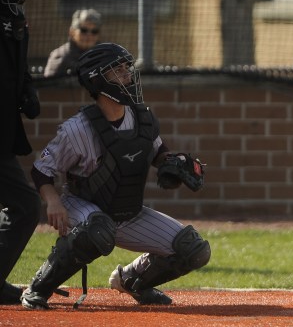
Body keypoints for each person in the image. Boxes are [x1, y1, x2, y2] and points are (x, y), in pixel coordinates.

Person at [21, 42, 211, 310]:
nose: (127, 75)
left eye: (127, 69)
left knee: (193, 249)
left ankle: (132, 280)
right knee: (98, 229)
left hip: (127, 211)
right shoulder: (78, 129)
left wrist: (176, 164)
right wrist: (53, 202)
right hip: (83, 205)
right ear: (98, 79)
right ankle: (38, 288)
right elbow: (41, 170)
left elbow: (158, 153)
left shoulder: (142, 119)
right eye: (117, 70)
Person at [0, 0, 41, 305]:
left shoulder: (17, 18)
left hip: (4, 133)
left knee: (22, 206)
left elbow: (20, 68)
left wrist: (27, 91)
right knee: (27, 205)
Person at [44, 8, 102, 77]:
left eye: (94, 31)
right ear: (72, 32)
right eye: (84, 30)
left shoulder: (103, 57)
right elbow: (49, 86)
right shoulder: (60, 57)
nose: (89, 35)